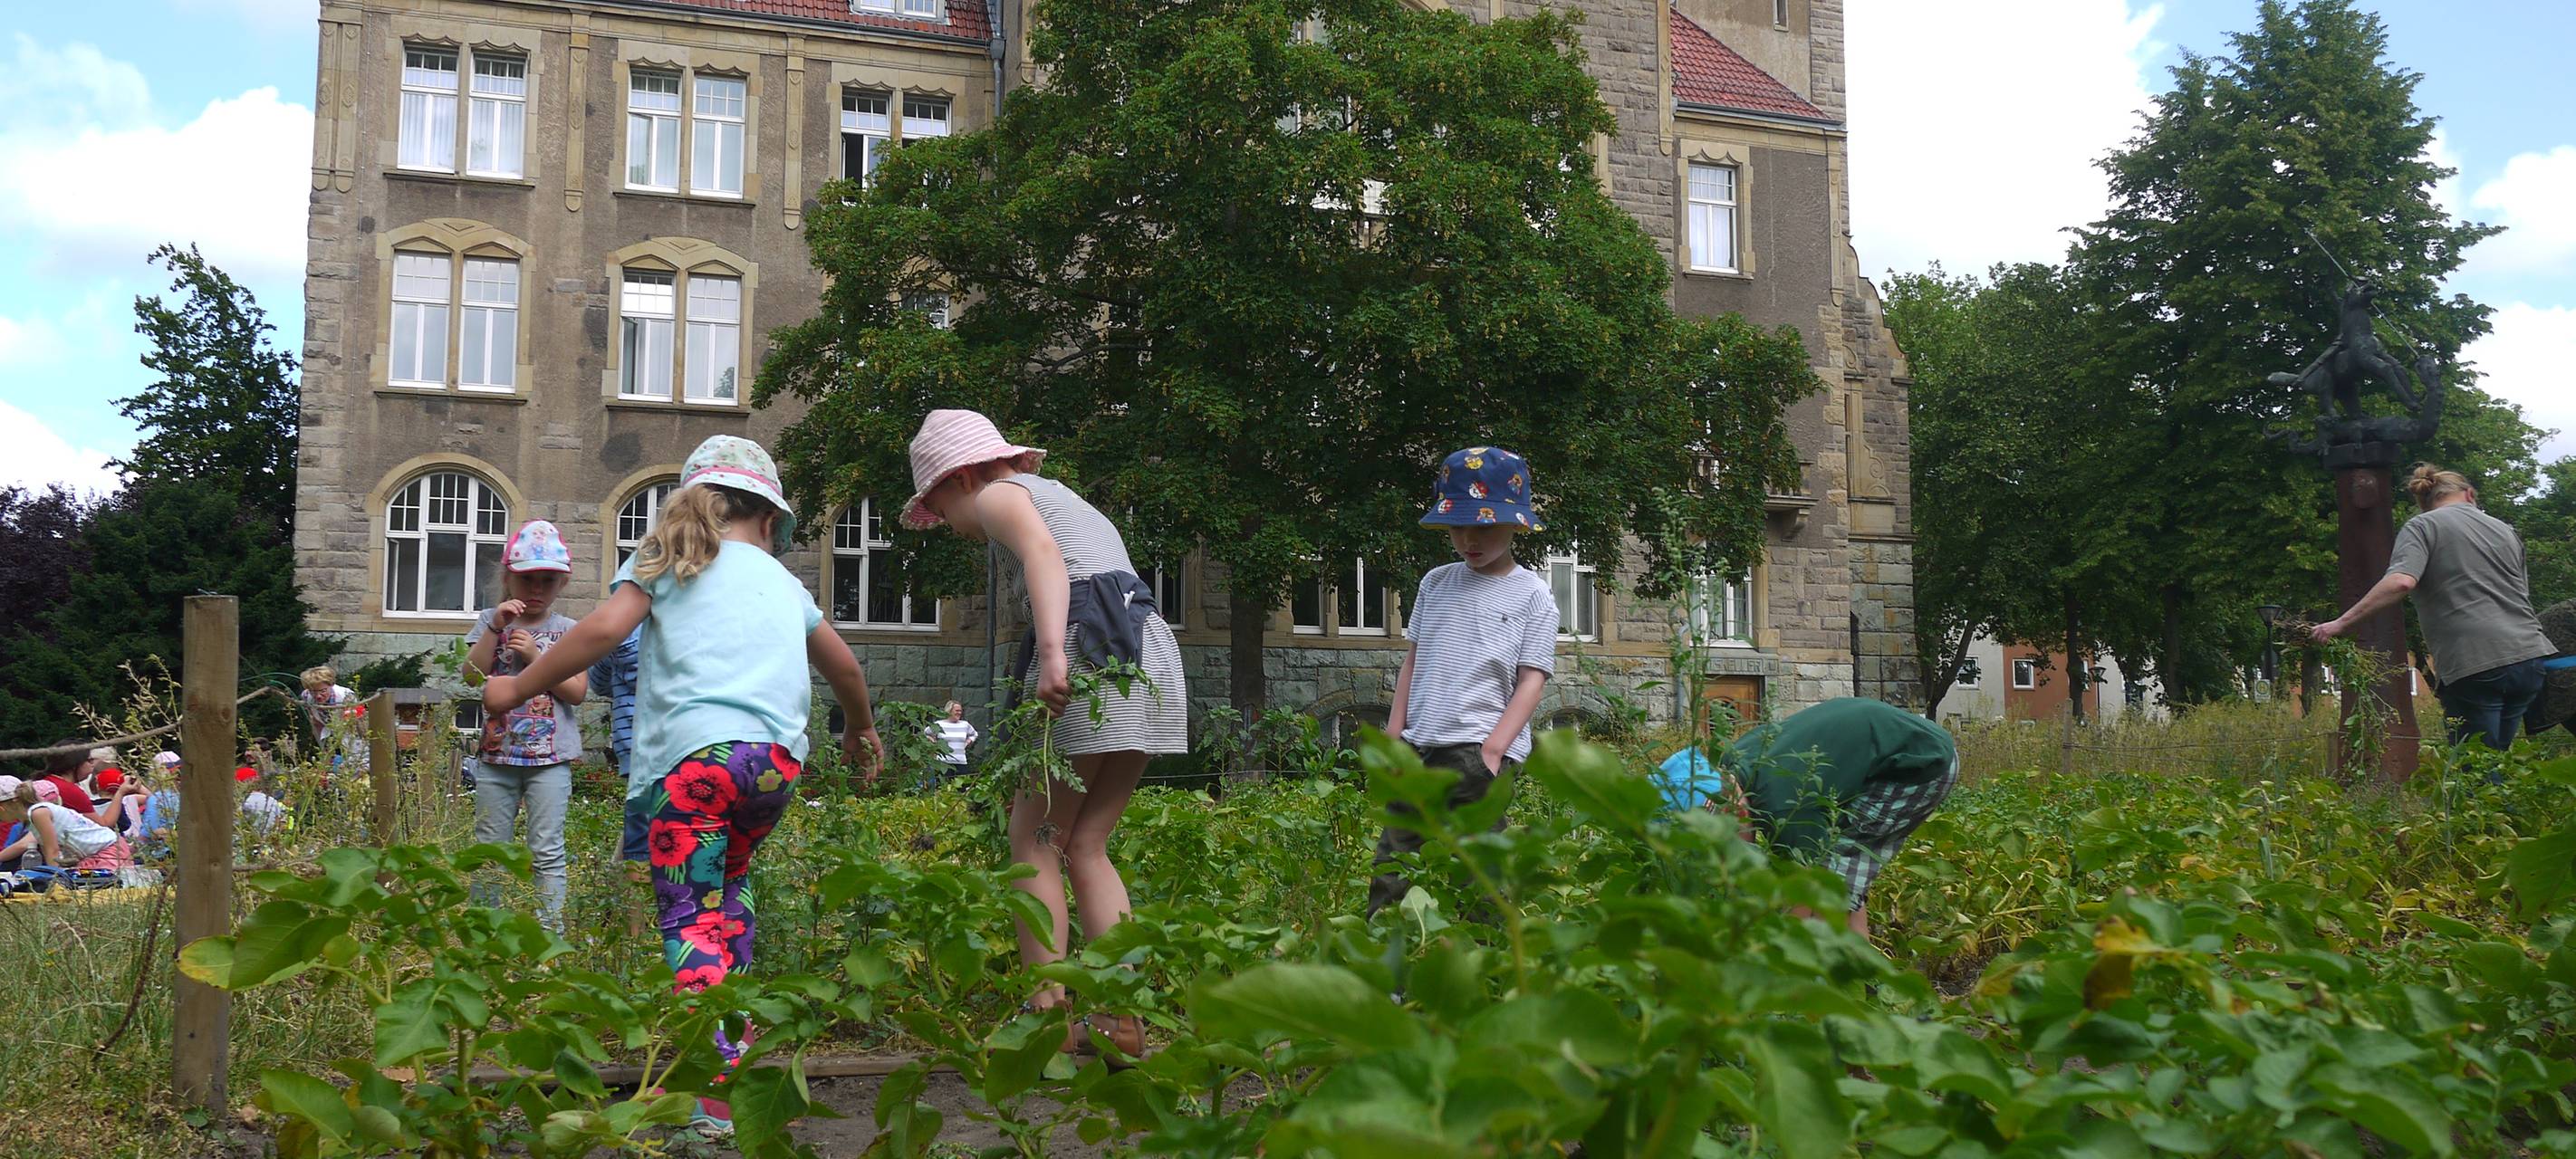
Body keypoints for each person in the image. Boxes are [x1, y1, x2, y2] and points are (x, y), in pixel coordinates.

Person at [484, 434, 882, 1138]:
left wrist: (517, 684)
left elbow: (604, 631)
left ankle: (713, 1103)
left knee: (690, 918)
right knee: (730, 894)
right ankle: (737, 1047)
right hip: (775, 768)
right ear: (768, 519)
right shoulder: (784, 583)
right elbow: (845, 667)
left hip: (695, 768)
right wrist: (859, 731)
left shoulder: (670, 556)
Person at [903, 408, 1187, 1061]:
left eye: (939, 504)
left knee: (1032, 837)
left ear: (963, 476)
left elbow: (1044, 555)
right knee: (1087, 843)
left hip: (1090, 645)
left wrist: (1054, 652)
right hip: (1146, 647)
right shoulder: (1063, 495)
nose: (946, 522)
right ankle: (1121, 1018)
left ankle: (1046, 1020)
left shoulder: (1002, 494)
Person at [1370, 445, 1558, 915]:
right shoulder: (1436, 582)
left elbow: (1532, 679)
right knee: (1394, 862)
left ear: (1515, 525)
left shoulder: (1532, 594)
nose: (1469, 539)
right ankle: (1385, 973)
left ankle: (1487, 971)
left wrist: (1494, 750)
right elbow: (1413, 660)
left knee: (1479, 870)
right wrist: (1394, 734)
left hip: (1477, 751)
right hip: (1418, 746)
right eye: (1458, 526)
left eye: (1484, 526)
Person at [2314, 464, 2555, 752]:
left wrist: (2341, 623)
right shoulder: (2506, 530)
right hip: (2528, 658)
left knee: (2474, 768)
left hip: (2475, 661)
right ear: (2469, 494)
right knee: (2496, 760)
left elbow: (2401, 582)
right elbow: (2521, 593)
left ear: (2425, 501)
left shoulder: (2423, 526)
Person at [1714, 697, 1957, 938]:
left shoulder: (1786, 807)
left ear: (1733, 810)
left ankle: (1832, 970)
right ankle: (1858, 971)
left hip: (1922, 761)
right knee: (1843, 877)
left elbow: (1807, 885)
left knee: (1829, 881)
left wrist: (1774, 949)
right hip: (1892, 745)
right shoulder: (1734, 759)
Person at [463, 519, 588, 933]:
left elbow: (576, 693)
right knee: (490, 849)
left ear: (561, 584)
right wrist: (496, 627)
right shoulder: (490, 621)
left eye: (547, 581)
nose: (536, 590)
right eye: (527, 579)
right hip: (497, 757)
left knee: (547, 850)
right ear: (509, 577)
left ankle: (549, 938)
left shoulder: (568, 631)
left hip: (551, 761)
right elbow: (471, 677)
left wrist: (537, 658)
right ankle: (484, 935)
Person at [591, 625, 649, 938]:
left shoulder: (620, 630)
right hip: (684, 744)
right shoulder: (682, 626)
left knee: (638, 843)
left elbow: (597, 682)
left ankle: (633, 935)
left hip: (636, 750)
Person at [0, 780, 135, 872]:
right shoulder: (32, 816)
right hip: (97, 854)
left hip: (109, 851)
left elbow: (52, 851)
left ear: (2, 808)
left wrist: (56, 880)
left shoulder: (38, 813)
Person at [299, 666, 370, 774]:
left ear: (331, 685)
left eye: (323, 691)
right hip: (329, 732)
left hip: (352, 735)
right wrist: (324, 747)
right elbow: (316, 722)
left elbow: (355, 726)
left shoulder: (346, 696)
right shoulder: (306, 696)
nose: (318, 696)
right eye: (313, 691)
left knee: (356, 767)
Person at [928, 701, 979, 785]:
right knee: (944, 788)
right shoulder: (939, 724)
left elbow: (974, 734)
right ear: (949, 711)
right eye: (957, 710)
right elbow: (926, 733)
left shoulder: (965, 725)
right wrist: (933, 742)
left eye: (960, 711)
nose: (959, 713)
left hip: (961, 761)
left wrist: (967, 742)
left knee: (962, 786)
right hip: (943, 762)